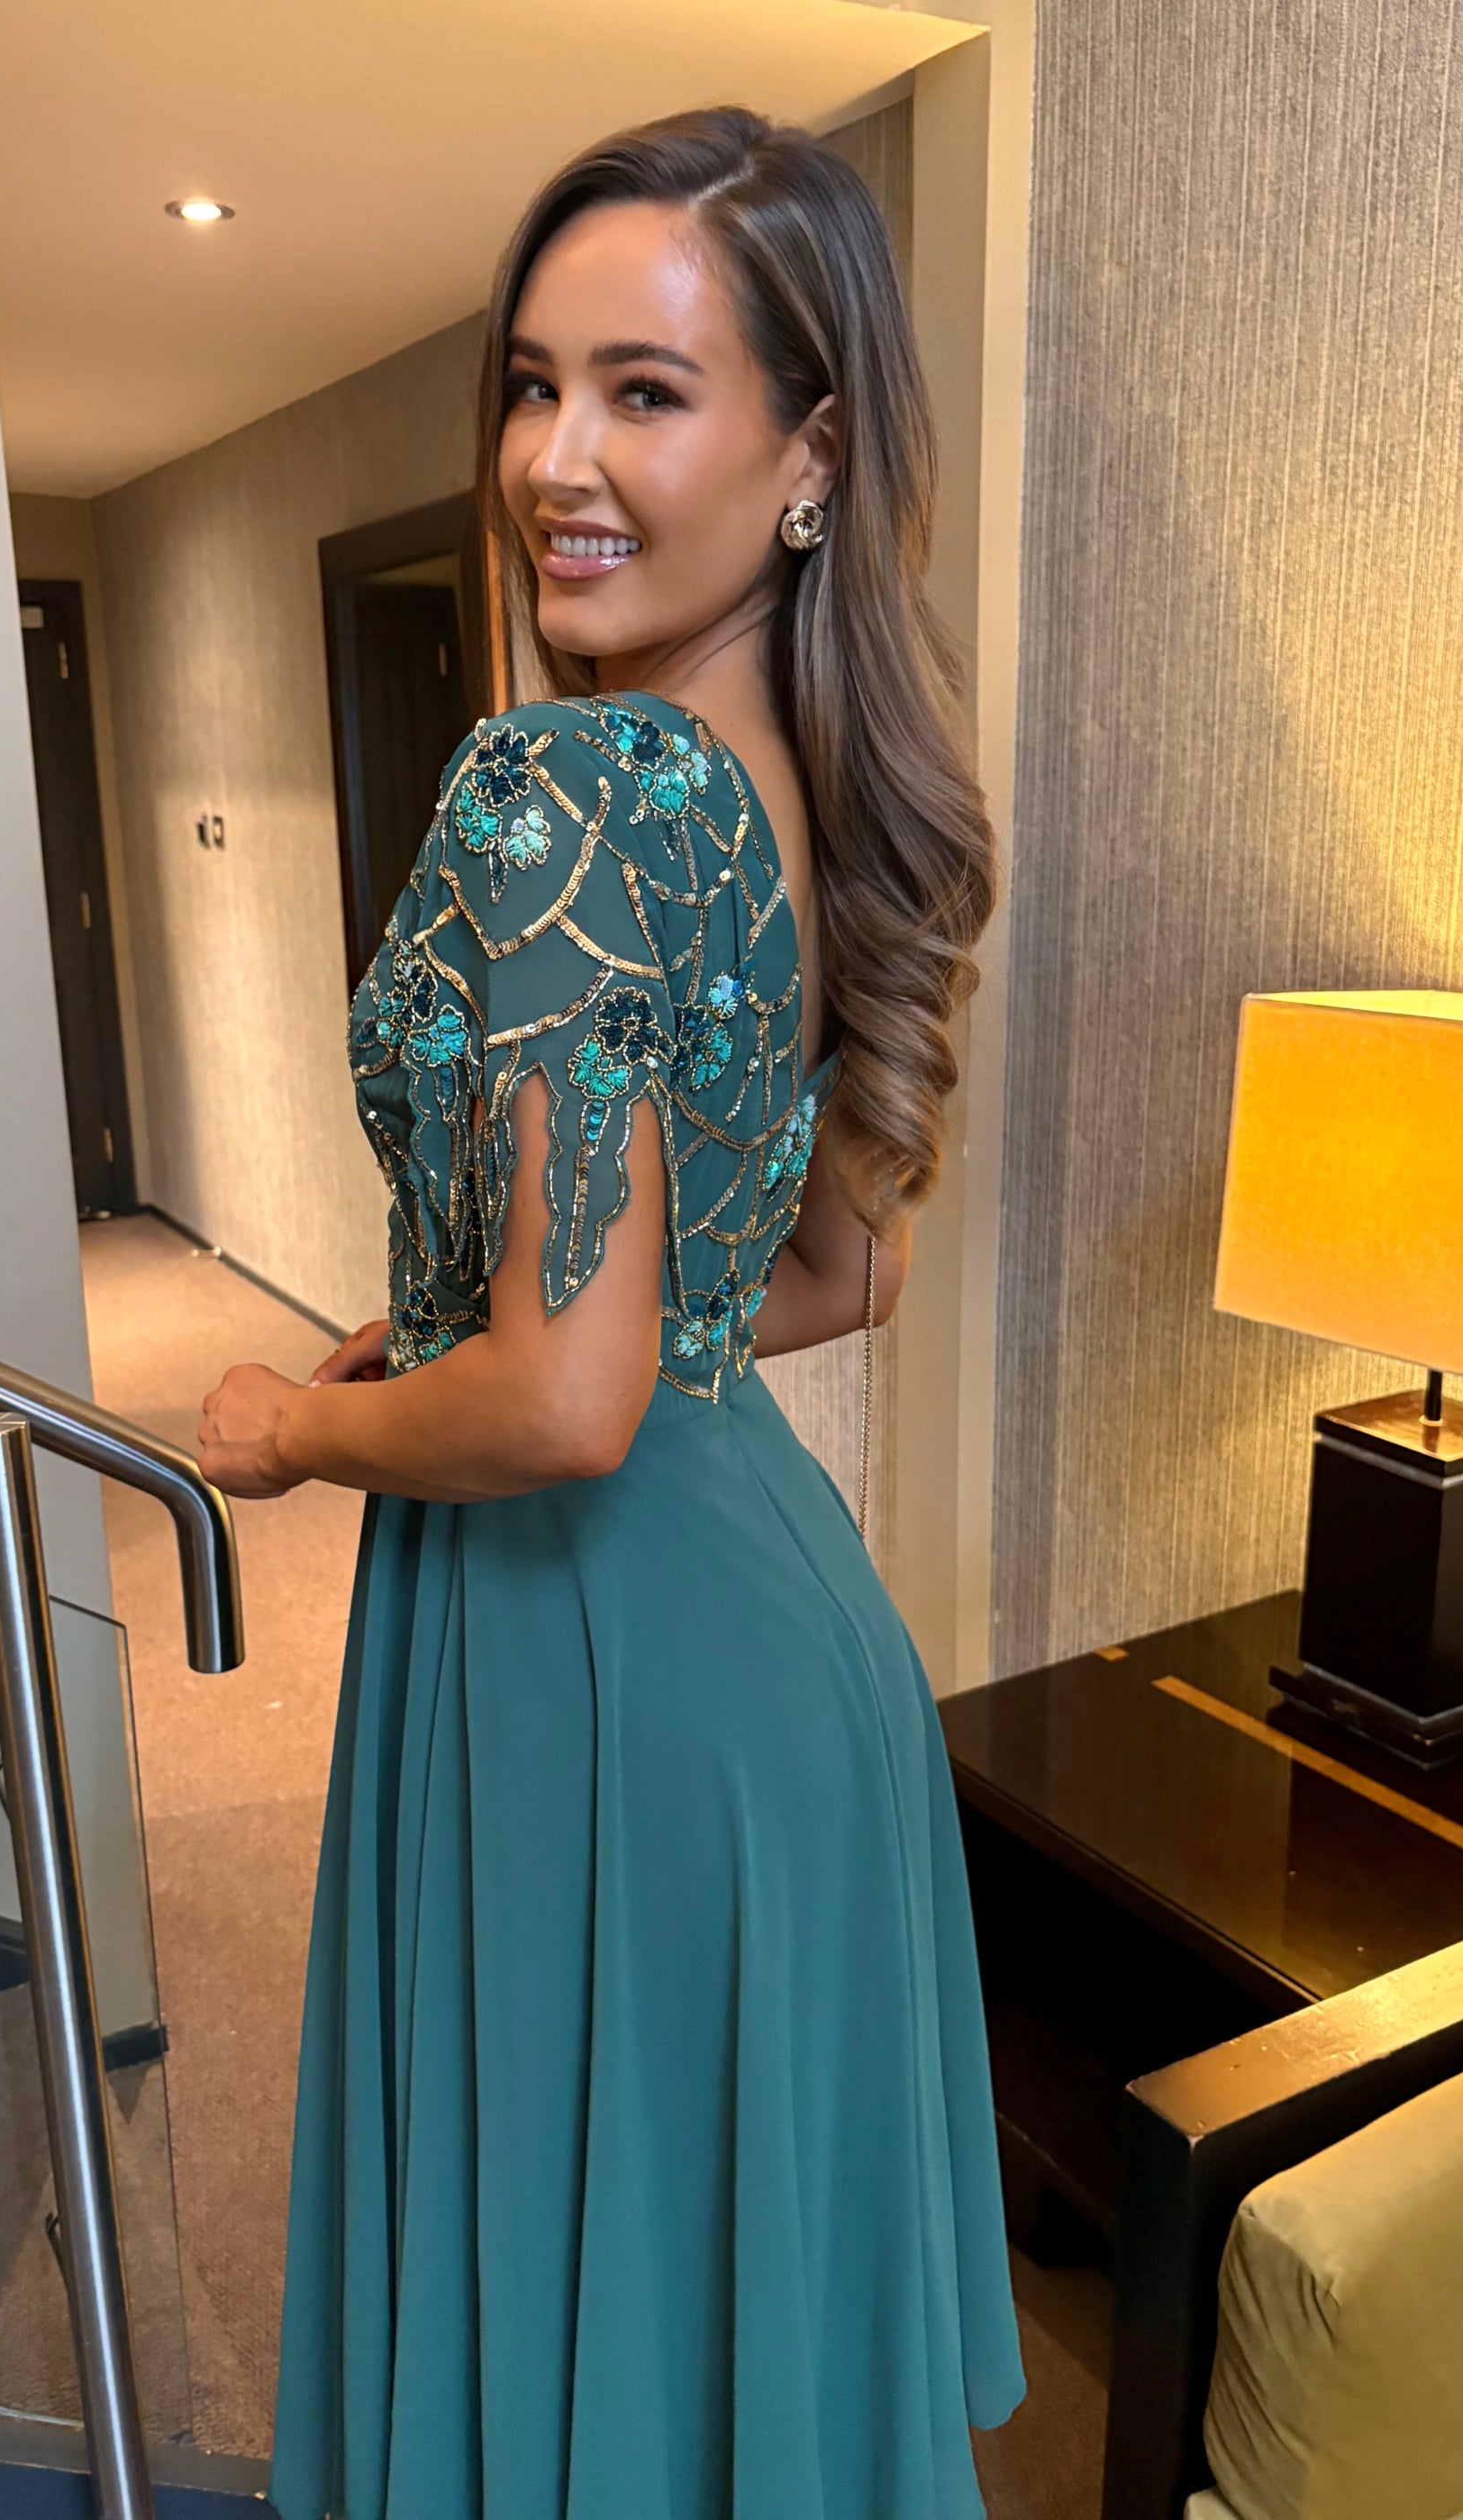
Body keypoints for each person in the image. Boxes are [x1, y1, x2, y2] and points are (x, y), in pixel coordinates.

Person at [197, 104, 1023, 2520]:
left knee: (595, 2293)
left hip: (599, 1660)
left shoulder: (560, 787)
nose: (557, 460)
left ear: (808, 450)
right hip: (784, 1654)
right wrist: (484, 1343)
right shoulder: (816, 781)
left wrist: (289, 1426)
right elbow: (830, 1272)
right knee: (709, 2327)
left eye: (645, 393)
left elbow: (563, 1406)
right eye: (535, 385)